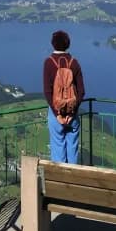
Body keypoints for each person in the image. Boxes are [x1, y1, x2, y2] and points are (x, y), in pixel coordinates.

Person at [43, 29, 85, 163]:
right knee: (73, 148)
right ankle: (72, 174)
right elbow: (81, 91)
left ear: (53, 44)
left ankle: (59, 175)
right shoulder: (74, 63)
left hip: (56, 113)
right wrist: (72, 113)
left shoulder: (49, 63)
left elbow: (47, 92)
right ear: (68, 44)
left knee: (57, 147)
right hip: (72, 113)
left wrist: (58, 114)